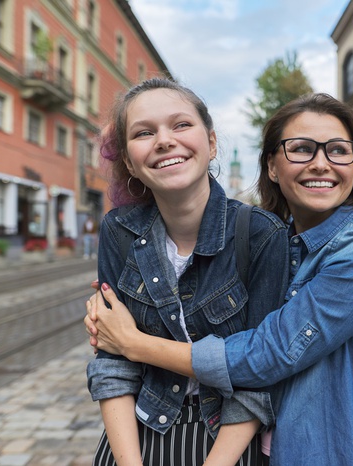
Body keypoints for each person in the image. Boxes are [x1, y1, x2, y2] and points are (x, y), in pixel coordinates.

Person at [86, 93, 353, 465]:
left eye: (337, 150)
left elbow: (267, 355)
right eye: (301, 149)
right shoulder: (280, 238)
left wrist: (132, 343)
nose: (320, 164)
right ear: (271, 166)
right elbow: (112, 367)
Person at [85, 77, 289, 466]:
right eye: (144, 132)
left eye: (180, 125)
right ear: (129, 160)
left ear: (211, 143)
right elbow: (112, 362)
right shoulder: (119, 230)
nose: (164, 140)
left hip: (227, 441)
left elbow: (260, 375)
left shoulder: (261, 234)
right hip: (138, 434)